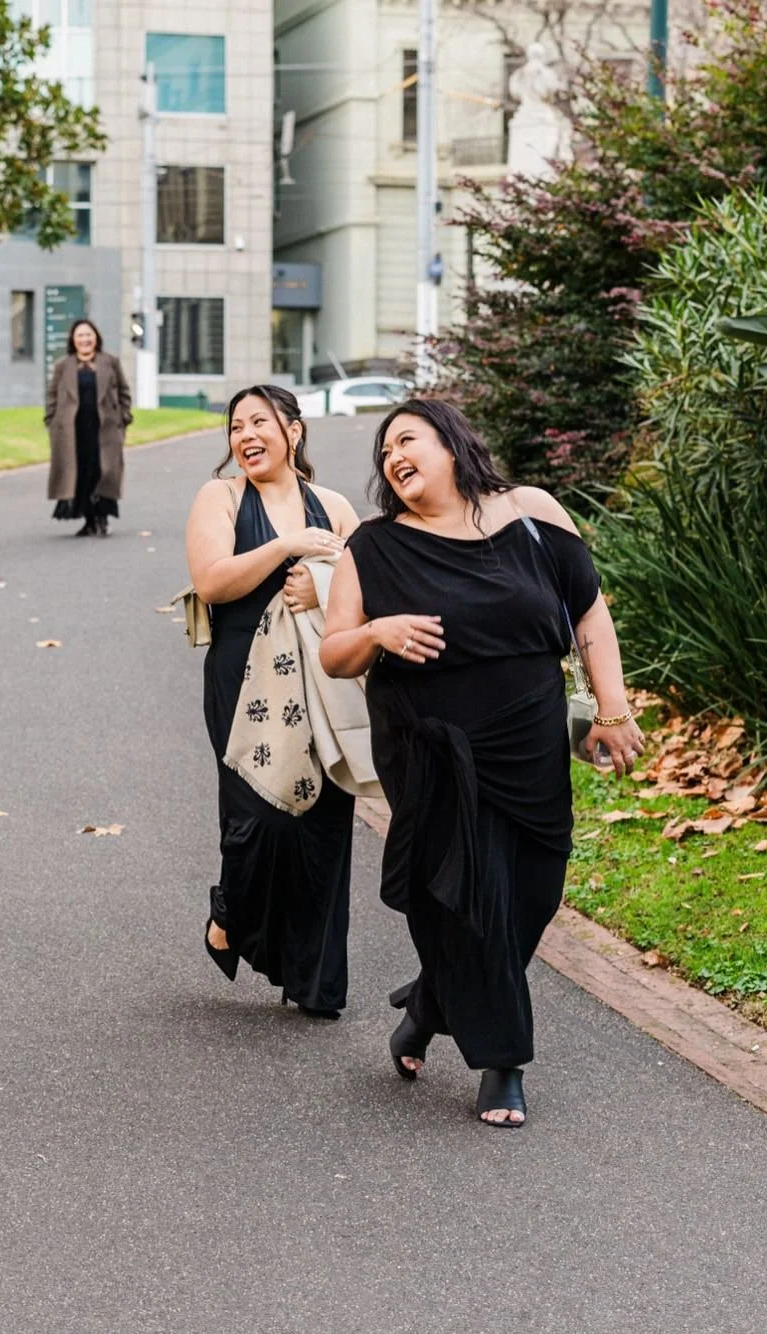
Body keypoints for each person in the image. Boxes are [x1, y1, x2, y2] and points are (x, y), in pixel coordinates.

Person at [319, 398, 642, 1127]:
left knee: (534, 888)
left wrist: (612, 709)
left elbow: (588, 612)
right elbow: (334, 653)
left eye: (408, 439)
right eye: (384, 453)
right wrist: (379, 631)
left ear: (452, 441)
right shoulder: (374, 547)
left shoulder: (530, 513)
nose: (393, 457)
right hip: (429, 748)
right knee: (470, 891)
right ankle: (503, 1064)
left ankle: (429, 1006)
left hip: (528, 741)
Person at [182, 384, 361, 1018]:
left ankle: (316, 984)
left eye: (260, 422)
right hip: (242, 676)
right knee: (259, 819)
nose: (245, 436)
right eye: (235, 427)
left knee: (322, 825)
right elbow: (211, 580)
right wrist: (288, 547)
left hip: (319, 676)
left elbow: (371, 585)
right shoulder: (222, 496)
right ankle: (232, 908)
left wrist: (321, 589)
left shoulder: (334, 505)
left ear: (294, 431)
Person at [45, 319, 132, 536]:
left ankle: (101, 518)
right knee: (81, 473)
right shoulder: (63, 366)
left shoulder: (110, 362)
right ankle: (89, 519)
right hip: (72, 432)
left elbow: (124, 392)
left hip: (105, 429)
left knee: (103, 471)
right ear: (73, 341)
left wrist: (124, 418)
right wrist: (51, 421)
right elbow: (52, 396)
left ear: (96, 338)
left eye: (88, 335)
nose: (85, 340)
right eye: (80, 336)